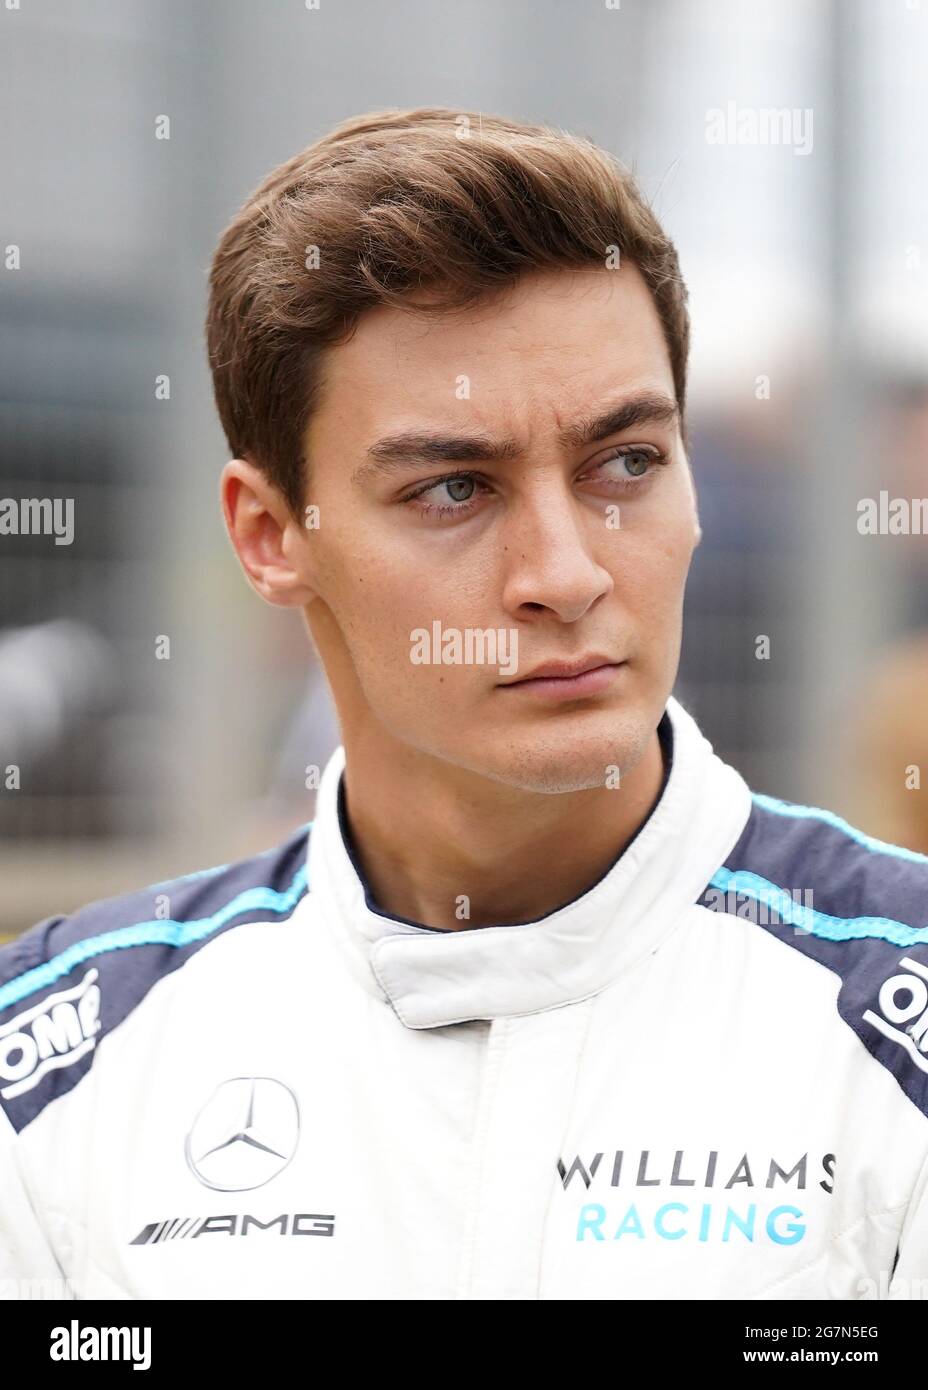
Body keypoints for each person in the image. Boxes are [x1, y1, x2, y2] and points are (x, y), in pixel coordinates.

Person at [1, 107, 926, 1301]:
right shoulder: (59, 1080)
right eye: (453, 487)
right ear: (273, 535)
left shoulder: (888, 1026)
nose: (566, 573)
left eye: (626, 463)